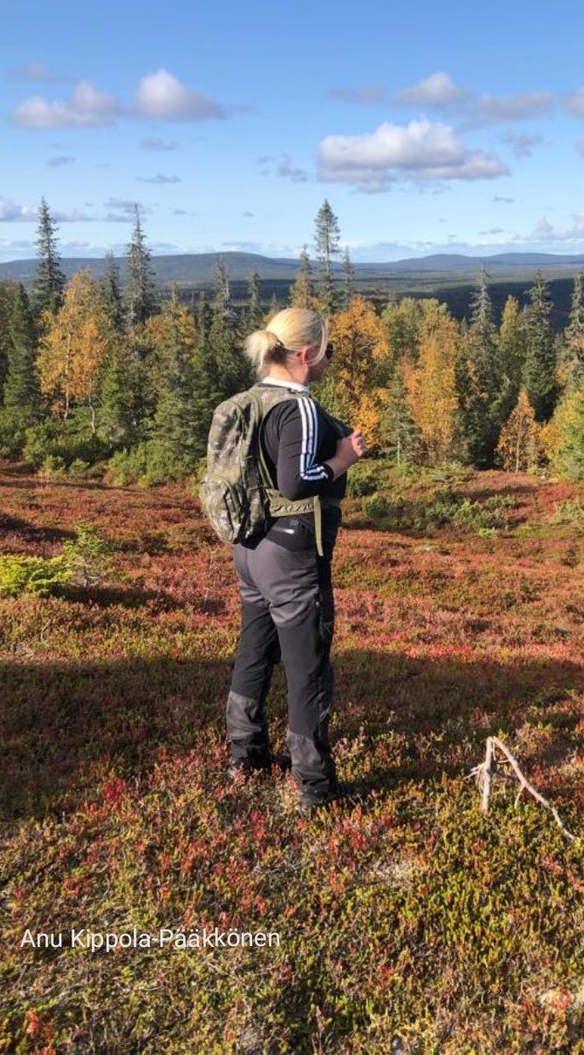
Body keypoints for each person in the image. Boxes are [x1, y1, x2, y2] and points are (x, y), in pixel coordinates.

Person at [225, 307, 366, 811]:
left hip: (248, 549)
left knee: (254, 653)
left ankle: (245, 757)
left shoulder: (253, 401)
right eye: (327, 350)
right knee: (308, 667)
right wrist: (344, 459)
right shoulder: (299, 408)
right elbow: (295, 481)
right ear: (306, 355)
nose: (329, 358)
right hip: (290, 554)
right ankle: (316, 787)